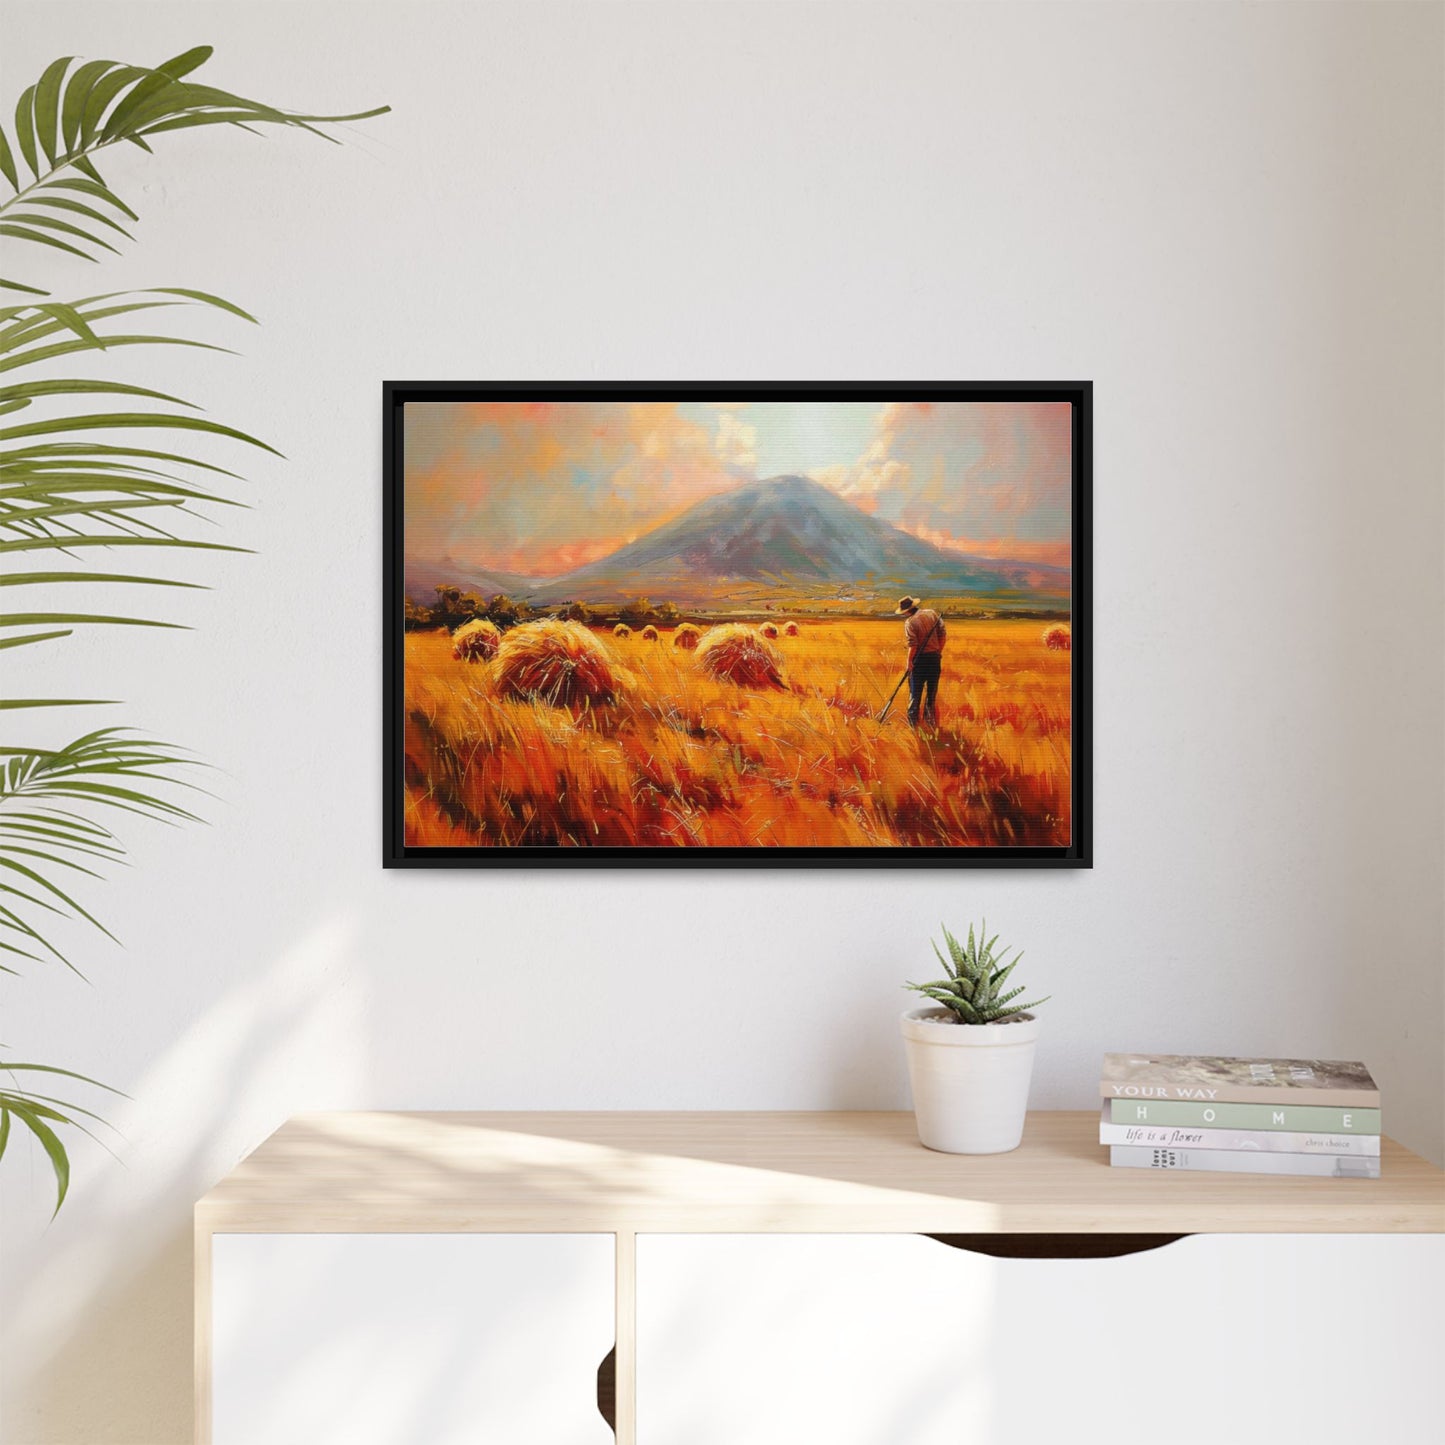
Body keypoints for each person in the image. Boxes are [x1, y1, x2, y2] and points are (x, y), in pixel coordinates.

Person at [897, 595, 946, 728]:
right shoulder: (932, 614)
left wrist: (909, 662)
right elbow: (942, 635)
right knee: (931, 695)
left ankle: (913, 727)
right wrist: (938, 652)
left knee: (915, 695)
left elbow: (913, 645)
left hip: (919, 661)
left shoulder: (910, 622)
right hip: (934, 660)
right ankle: (930, 724)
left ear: (907, 611)